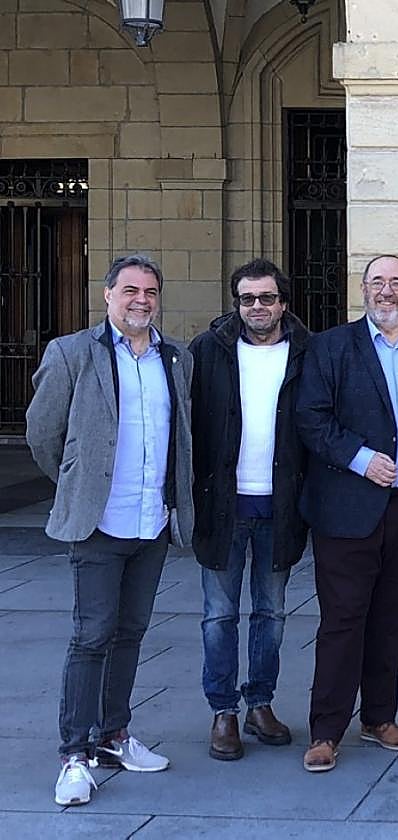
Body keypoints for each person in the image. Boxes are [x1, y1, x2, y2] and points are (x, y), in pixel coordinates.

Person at [26, 254, 193, 806]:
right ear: (107, 295)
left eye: (150, 290)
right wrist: (79, 483)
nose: (140, 300)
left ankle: (114, 735)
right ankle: (75, 753)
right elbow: (43, 434)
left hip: (152, 522)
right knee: (90, 636)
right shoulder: (72, 353)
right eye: (129, 290)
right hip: (99, 523)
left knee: (131, 633)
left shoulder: (175, 359)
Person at [296, 254, 398, 772]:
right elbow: (311, 417)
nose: (386, 291)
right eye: (376, 283)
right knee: (344, 619)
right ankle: (326, 729)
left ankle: (379, 717)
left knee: (391, 615)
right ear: (362, 290)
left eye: (396, 283)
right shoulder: (330, 347)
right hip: (348, 508)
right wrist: (362, 459)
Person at [189, 259, 310, 760]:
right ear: (236, 304)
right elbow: (187, 424)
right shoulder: (208, 351)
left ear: (283, 302)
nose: (256, 307)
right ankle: (224, 711)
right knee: (219, 615)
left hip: (281, 506)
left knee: (272, 612)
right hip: (222, 507)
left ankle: (260, 701)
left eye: (266, 298)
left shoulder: (308, 352)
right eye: (246, 299)